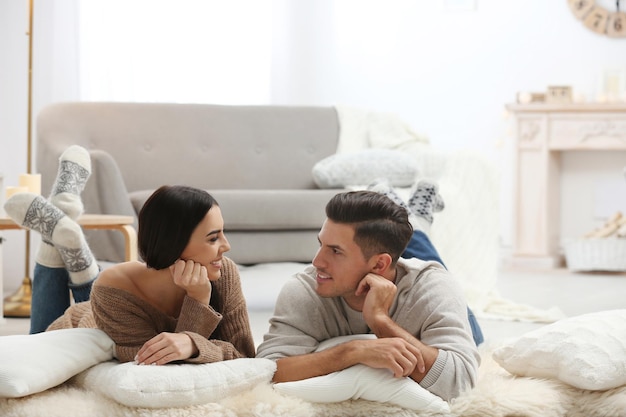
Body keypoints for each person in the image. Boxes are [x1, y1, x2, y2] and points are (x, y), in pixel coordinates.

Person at [3, 145, 255, 365]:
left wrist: (192, 343)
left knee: (93, 291)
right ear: (174, 244)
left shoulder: (223, 272)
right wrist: (198, 302)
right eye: (213, 238)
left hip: (102, 306)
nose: (226, 246)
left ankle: (64, 222)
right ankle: (62, 240)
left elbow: (245, 356)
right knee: (36, 346)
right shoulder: (116, 289)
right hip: (80, 327)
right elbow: (161, 365)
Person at [256, 180, 481, 401]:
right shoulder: (305, 289)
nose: (317, 261)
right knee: (392, 242)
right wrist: (353, 351)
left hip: (424, 285)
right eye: (321, 244)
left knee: (476, 335)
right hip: (390, 264)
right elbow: (267, 372)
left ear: (379, 265)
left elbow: (458, 384)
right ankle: (406, 215)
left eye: (335, 251)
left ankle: (417, 223)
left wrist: (380, 320)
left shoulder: (432, 287)